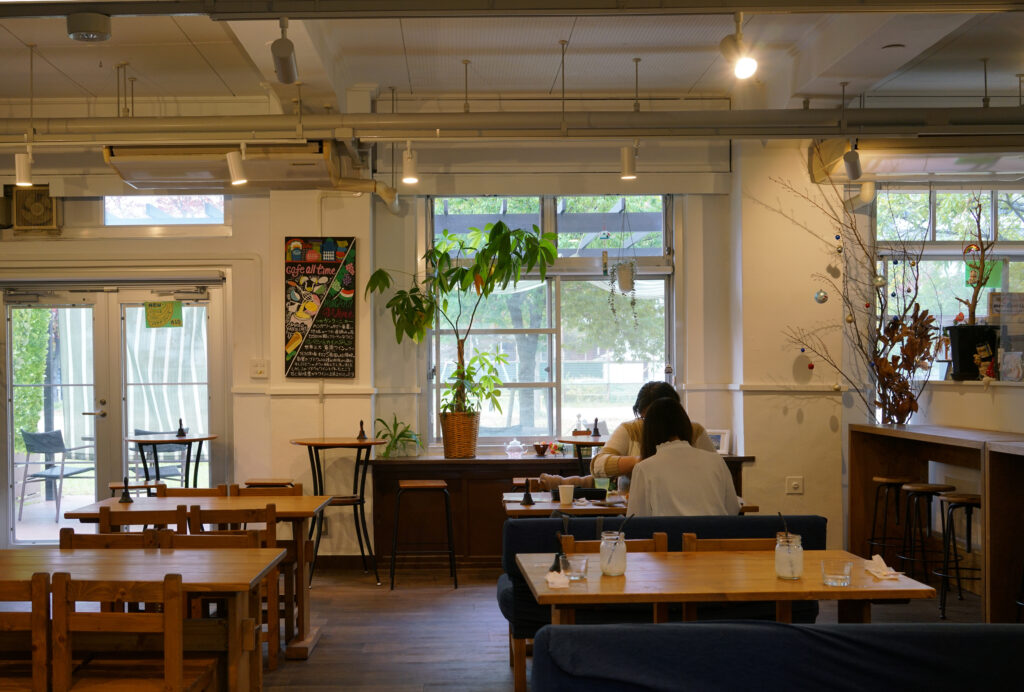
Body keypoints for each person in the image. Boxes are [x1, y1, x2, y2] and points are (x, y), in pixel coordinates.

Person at [626, 397, 740, 517]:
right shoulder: (716, 461)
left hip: (668, 530)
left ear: (649, 431)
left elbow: (636, 519)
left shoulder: (644, 468)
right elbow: (732, 508)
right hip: (715, 529)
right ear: (686, 425)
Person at [591, 381, 716, 479]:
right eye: (645, 418)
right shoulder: (631, 430)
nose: (650, 424)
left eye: (656, 418)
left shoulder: (694, 431)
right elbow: (597, 465)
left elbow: (714, 468)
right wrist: (641, 461)